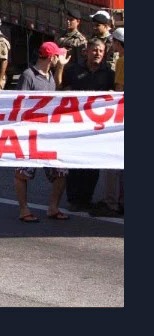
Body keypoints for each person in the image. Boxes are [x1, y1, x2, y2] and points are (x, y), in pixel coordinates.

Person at [13, 42, 71, 223]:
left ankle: (53, 207)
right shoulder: (28, 76)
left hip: (48, 133)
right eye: (57, 56)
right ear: (51, 57)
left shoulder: (51, 76)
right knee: (22, 173)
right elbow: (19, 103)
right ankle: (23, 209)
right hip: (30, 133)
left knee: (61, 172)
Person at [62, 38, 115, 212]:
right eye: (94, 50)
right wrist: (60, 67)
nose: (97, 54)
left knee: (92, 164)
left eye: (100, 51)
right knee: (76, 163)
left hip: (97, 127)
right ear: (87, 52)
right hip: (76, 124)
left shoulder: (109, 73)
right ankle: (74, 199)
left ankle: (87, 198)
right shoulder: (75, 71)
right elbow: (59, 89)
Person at [88, 27, 124, 218]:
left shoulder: (121, 62)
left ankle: (111, 203)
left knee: (112, 161)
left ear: (118, 43)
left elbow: (119, 92)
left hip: (121, 119)